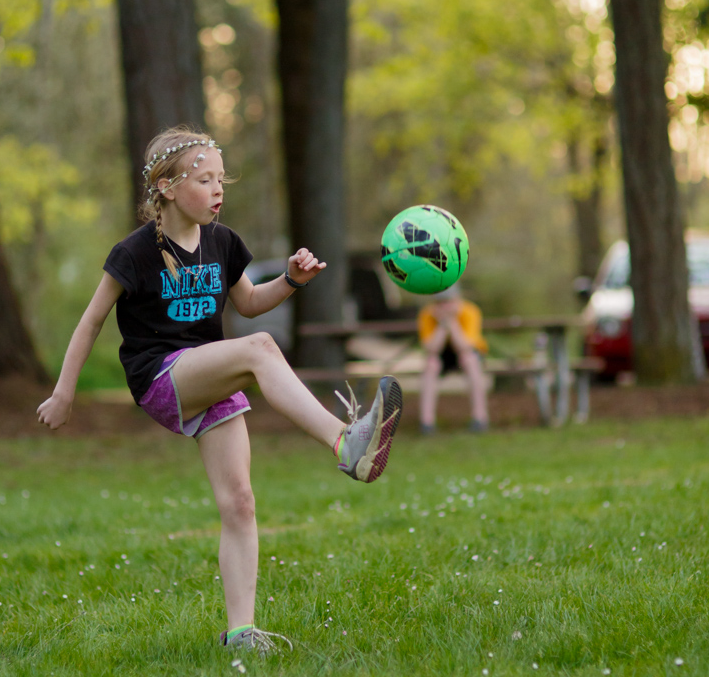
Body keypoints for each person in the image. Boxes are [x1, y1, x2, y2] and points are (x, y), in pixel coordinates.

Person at [36, 126, 403, 654]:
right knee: (258, 350)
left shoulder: (222, 242)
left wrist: (294, 281)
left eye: (220, 179)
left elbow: (250, 302)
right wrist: (64, 393)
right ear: (165, 188)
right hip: (162, 377)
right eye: (203, 179)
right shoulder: (133, 253)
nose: (217, 190)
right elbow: (91, 322)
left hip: (210, 375)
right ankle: (346, 442)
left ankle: (241, 633)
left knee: (240, 503)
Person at [417, 285, 489, 434]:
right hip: (441, 353)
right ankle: (427, 422)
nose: (444, 306)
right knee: (431, 364)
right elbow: (431, 348)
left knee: (470, 360)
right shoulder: (427, 314)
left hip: (465, 353)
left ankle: (480, 418)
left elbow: (465, 346)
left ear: (457, 300)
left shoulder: (470, 311)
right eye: (439, 302)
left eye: (448, 302)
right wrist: (442, 325)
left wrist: (453, 322)